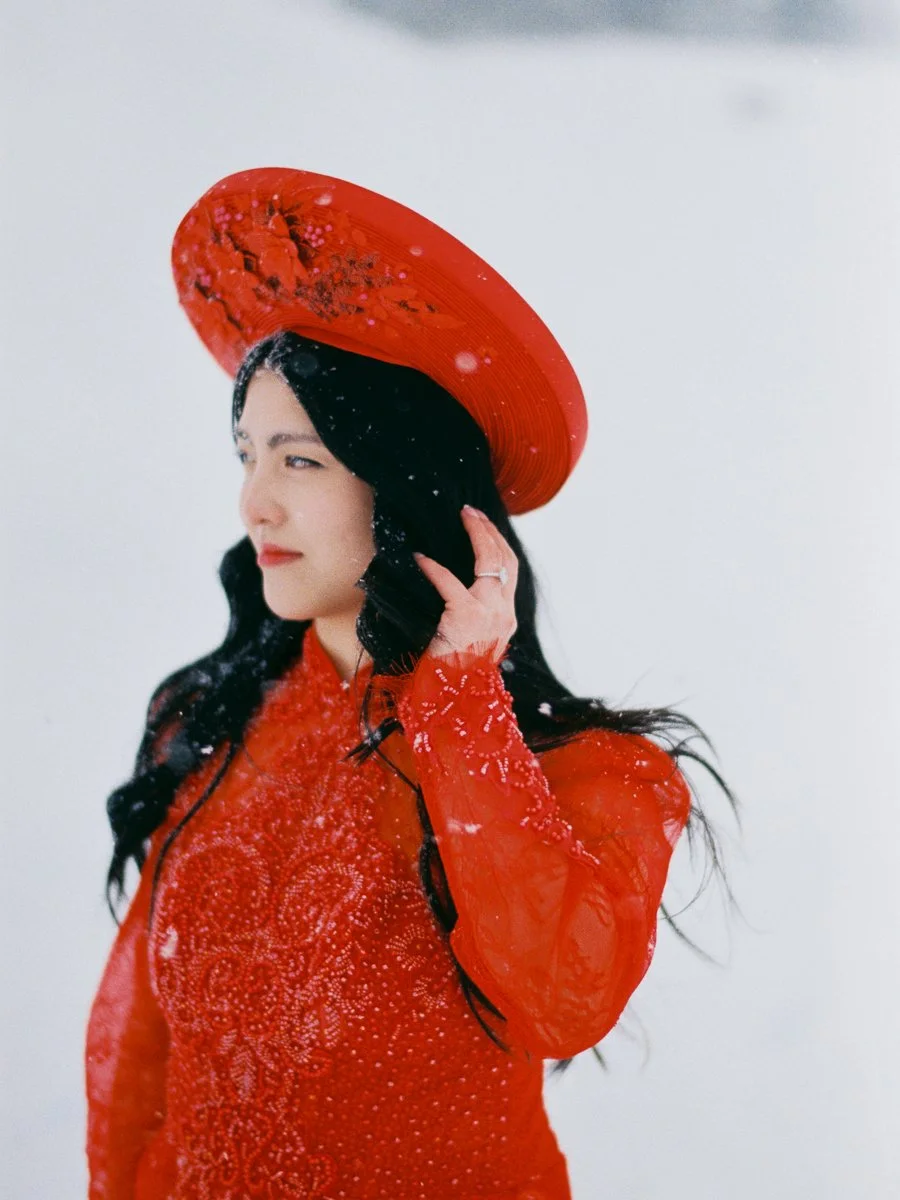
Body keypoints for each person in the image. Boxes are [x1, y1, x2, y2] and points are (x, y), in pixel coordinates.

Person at [84, 168, 738, 1199]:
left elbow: (560, 1000)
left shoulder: (593, 774)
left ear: (400, 479)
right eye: (248, 456)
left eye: (299, 462)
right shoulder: (214, 721)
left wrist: (463, 705)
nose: (254, 503)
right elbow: (139, 1066)